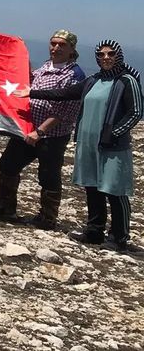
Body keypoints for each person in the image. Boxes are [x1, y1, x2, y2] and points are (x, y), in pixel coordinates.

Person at [21, 40, 142, 252]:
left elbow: (136, 112)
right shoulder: (93, 80)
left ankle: (119, 237)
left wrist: (114, 134)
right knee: (92, 187)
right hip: (88, 143)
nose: (106, 57)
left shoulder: (126, 80)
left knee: (115, 190)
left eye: (111, 53)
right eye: (102, 54)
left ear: (118, 55)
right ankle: (94, 232)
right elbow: (64, 93)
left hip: (112, 145)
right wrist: (31, 92)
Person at [0, 30, 85, 229]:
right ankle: (5, 206)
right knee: (8, 164)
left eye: (61, 45)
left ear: (72, 49)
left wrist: (40, 132)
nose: (56, 48)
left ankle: (47, 217)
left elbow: (65, 111)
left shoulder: (74, 75)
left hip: (52, 135)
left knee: (48, 174)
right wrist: (19, 53)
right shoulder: (47, 66)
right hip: (27, 128)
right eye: (53, 43)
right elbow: (28, 80)